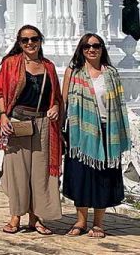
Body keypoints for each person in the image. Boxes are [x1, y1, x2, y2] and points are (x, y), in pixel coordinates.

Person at [0, 24, 63, 235]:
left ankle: (36, 218)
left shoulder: (48, 66)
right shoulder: (11, 64)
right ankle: (15, 217)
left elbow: (56, 95)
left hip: (43, 124)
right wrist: (4, 116)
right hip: (17, 123)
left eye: (34, 39)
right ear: (19, 43)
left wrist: (56, 106)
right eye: (25, 40)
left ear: (40, 41)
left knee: (40, 173)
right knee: (17, 172)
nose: (30, 43)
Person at [62, 33, 130, 238]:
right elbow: (64, 101)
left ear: (102, 48)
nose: (91, 49)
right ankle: (80, 221)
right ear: (81, 50)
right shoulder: (72, 73)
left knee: (103, 177)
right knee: (81, 176)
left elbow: (118, 105)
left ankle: (98, 223)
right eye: (86, 46)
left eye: (96, 45)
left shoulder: (110, 73)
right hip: (80, 132)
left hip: (107, 131)